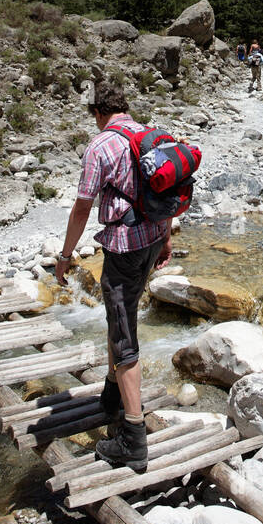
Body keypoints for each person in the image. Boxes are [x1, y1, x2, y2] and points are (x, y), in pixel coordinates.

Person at [55, 80, 172, 472]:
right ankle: (111, 394)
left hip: (124, 246)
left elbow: (81, 208)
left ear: (97, 112)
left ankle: (132, 438)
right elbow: (165, 190)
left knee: (124, 336)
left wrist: (65, 255)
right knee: (119, 316)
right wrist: (166, 240)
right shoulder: (149, 135)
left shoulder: (100, 145)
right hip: (153, 237)